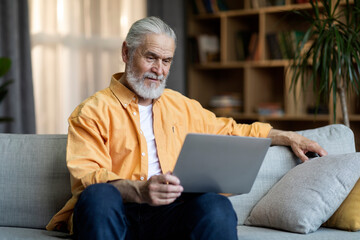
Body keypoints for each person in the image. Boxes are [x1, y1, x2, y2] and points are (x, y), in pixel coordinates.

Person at [46, 16, 327, 240]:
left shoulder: (182, 106)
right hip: (115, 213)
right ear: (126, 52)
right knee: (98, 195)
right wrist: (141, 190)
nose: (159, 69)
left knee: (215, 205)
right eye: (151, 57)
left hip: (169, 216)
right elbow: (87, 177)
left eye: (166, 60)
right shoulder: (92, 111)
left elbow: (229, 130)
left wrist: (286, 136)